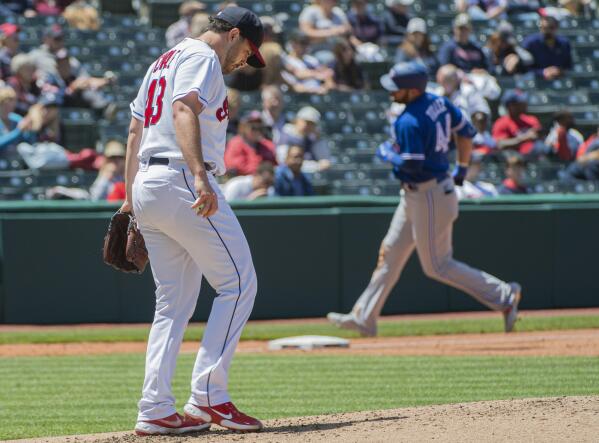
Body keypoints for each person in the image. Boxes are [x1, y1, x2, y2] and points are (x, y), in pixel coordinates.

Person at [123, 6, 266, 435]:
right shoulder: (204, 58)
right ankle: (209, 395)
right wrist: (200, 179)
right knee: (239, 283)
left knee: (173, 304)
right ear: (235, 34)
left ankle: (155, 408)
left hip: (149, 181)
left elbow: (134, 131)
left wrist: (130, 203)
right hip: (182, 178)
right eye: (248, 50)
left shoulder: (163, 59)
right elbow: (184, 110)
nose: (246, 61)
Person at [327, 61, 521, 337]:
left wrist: (387, 154)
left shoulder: (410, 120)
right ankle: (364, 317)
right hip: (421, 193)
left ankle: (504, 295)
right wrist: (462, 168)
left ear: (412, 90)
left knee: (438, 265)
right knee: (390, 254)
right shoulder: (439, 102)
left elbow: (411, 165)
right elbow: (467, 133)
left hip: (428, 193)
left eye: (397, 88)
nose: (392, 92)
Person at [277, 106, 331, 173]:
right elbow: (284, 161)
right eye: (306, 122)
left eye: (312, 124)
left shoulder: (312, 138)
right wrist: (316, 166)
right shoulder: (286, 136)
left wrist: (318, 139)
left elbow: (325, 160)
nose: (308, 126)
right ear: (297, 120)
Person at [492, 89, 543, 157]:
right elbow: (500, 144)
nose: (524, 105)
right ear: (510, 106)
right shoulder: (501, 123)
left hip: (535, 158)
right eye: (519, 103)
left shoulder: (532, 120)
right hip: (515, 159)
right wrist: (524, 138)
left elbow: (540, 137)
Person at [224, 110, 276, 176]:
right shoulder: (236, 143)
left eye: (260, 128)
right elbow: (234, 167)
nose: (257, 131)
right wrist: (262, 172)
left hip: (264, 179)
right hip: (242, 180)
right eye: (253, 128)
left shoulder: (266, 145)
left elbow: (274, 165)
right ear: (243, 127)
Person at [522, 12, 572, 80]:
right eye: (544, 28)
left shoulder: (564, 44)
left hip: (558, 78)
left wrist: (558, 70)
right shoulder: (530, 43)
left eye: (550, 28)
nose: (547, 31)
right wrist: (542, 72)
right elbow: (524, 68)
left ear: (556, 28)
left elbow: (568, 66)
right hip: (535, 80)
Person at [0, 85, 37, 159]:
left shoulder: (17, 119)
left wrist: (31, 130)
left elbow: (30, 142)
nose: (8, 108)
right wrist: (18, 131)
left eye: (11, 104)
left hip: (17, 162)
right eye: (5, 105)